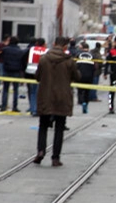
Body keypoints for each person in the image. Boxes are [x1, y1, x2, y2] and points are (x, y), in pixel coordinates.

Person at [34, 37, 81, 167]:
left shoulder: (43, 59)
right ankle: (55, 158)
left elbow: (37, 77)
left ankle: (41, 151)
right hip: (62, 97)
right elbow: (77, 77)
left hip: (45, 96)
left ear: (54, 44)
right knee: (59, 128)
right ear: (65, 47)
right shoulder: (69, 61)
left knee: (43, 126)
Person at [22, 38, 48, 116]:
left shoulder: (31, 49)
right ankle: (38, 109)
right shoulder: (46, 51)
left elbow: (23, 59)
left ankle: (33, 109)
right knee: (40, 92)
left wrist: (24, 70)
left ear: (36, 43)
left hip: (30, 73)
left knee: (32, 92)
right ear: (44, 44)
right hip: (42, 74)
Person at [1, 36, 24, 112]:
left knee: (5, 89)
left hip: (7, 70)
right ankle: (15, 107)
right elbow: (21, 62)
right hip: (16, 72)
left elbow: (1, 58)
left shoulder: (5, 49)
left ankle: (3, 106)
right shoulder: (20, 51)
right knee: (15, 90)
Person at [76, 42, 96, 114]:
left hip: (80, 76)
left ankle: (82, 101)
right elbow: (95, 67)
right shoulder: (92, 55)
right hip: (89, 76)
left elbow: (76, 66)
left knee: (80, 90)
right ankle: (86, 104)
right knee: (87, 92)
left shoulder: (78, 55)